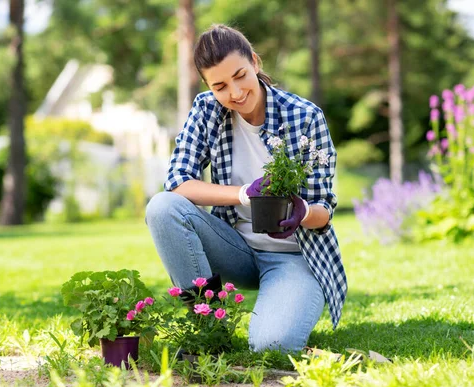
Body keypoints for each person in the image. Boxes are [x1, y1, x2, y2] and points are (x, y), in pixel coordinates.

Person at [145, 24, 347, 353]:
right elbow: (177, 182)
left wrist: (302, 212)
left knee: (272, 346)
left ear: (255, 62)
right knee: (162, 207)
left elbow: (324, 212)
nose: (235, 93)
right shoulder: (207, 110)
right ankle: (208, 332)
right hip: (235, 247)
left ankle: (285, 307)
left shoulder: (305, 116)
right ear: (209, 87)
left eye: (240, 75)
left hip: (294, 256)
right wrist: (242, 194)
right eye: (220, 86)